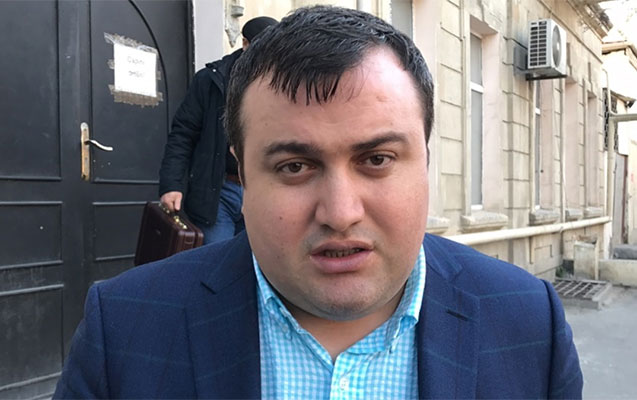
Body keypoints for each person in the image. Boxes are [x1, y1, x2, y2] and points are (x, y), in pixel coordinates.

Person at [54, 6, 582, 399]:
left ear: (425, 158)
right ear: (243, 171)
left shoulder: (528, 324)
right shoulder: (124, 330)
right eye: (294, 166)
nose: (340, 212)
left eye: (377, 159)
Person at [158, 16, 277, 244]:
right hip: (217, 192)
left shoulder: (282, 83)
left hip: (261, 190)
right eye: (263, 49)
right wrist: (171, 185)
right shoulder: (211, 80)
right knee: (219, 258)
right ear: (245, 44)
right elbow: (183, 134)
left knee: (255, 260)